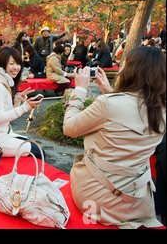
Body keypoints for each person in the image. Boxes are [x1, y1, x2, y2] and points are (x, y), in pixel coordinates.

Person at [64, 46, 166, 229]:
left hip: (97, 197)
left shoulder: (108, 105)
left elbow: (70, 128)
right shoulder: (161, 109)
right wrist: (109, 91)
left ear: (131, 70)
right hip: (137, 200)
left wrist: (79, 91)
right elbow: (131, 113)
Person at [0, 46, 44, 159]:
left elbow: (5, 114)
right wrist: (25, 107)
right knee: (39, 152)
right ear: (2, 64)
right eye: (12, 64)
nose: (16, 68)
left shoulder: (2, 83)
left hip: (3, 136)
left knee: (35, 145)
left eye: (18, 63)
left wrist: (17, 100)